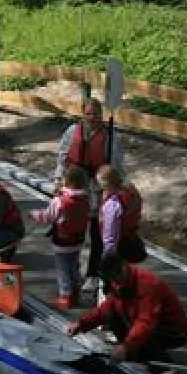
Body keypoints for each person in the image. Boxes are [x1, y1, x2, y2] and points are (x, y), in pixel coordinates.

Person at [66, 252, 187, 374]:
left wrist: (126, 346)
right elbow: (105, 310)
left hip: (173, 330)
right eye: (112, 278)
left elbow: (145, 322)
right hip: (141, 320)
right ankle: (133, 354)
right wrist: (81, 324)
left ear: (124, 266)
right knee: (111, 314)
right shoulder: (116, 284)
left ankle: (163, 366)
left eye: (117, 275)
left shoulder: (148, 284)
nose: (116, 281)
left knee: (144, 331)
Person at [53, 97, 124, 298]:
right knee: (72, 231)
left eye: (95, 113)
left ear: (101, 114)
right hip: (75, 189)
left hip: (97, 189)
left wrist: (114, 190)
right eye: (88, 113)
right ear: (82, 113)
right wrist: (58, 181)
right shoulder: (71, 132)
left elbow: (117, 166)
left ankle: (93, 273)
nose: (91, 117)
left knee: (96, 233)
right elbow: (62, 157)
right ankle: (73, 272)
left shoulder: (112, 137)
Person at [29, 165, 90, 309]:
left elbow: (48, 217)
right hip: (79, 239)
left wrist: (34, 214)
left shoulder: (59, 201)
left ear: (66, 181)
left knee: (62, 268)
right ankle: (76, 291)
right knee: (74, 265)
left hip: (62, 240)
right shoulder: (86, 198)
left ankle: (66, 295)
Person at [96, 164, 146, 265]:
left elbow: (110, 230)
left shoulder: (112, 203)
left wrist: (108, 253)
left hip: (119, 246)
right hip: (131, 239)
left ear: (106, 185)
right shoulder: (130, 192)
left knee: (115, 277)